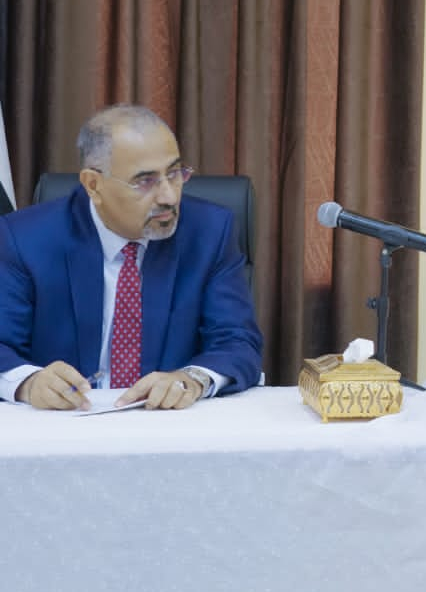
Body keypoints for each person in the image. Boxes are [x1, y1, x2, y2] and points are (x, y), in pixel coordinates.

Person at [0, 103, 262, 410]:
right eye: (145, 181)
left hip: (168, 421)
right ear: (93, 185)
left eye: (175, 173)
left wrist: (191, 379)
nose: (169, 196)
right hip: (65, 421)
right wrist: (30, 382)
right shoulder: (25, 238)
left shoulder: (209, 232)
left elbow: (237, 342)